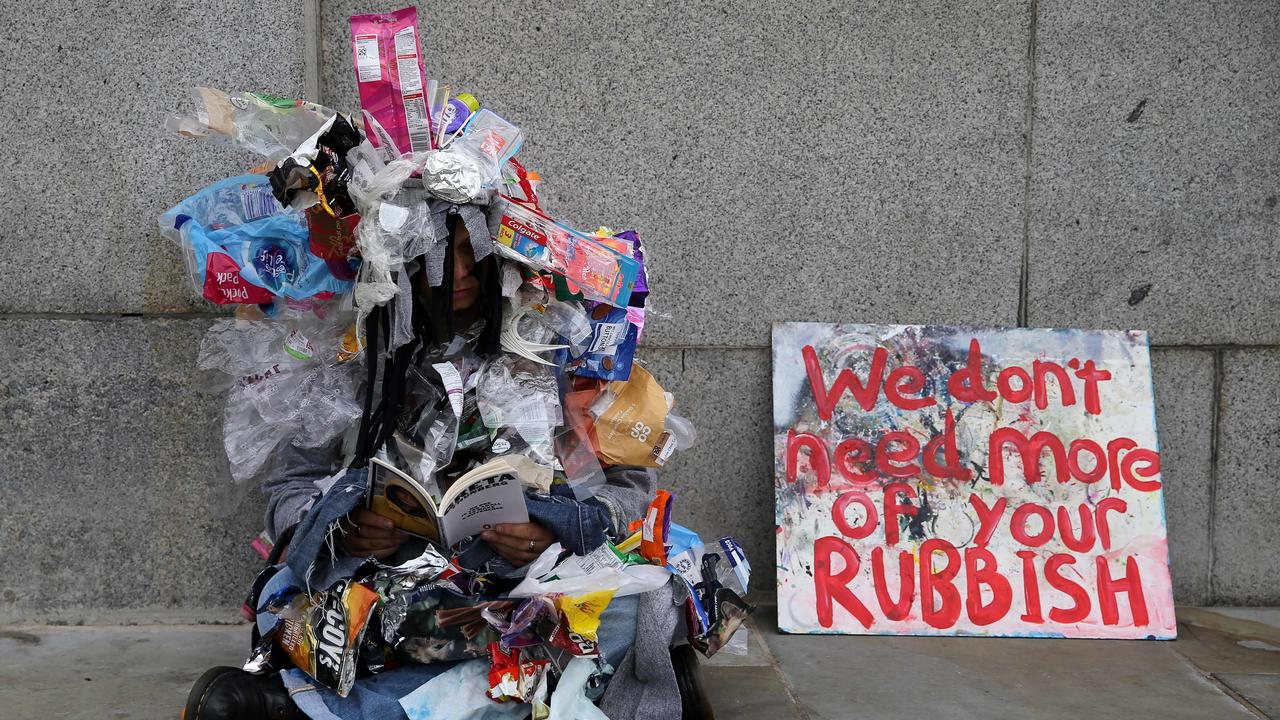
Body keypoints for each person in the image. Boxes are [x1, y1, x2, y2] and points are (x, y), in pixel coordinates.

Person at [181, 206, 712, 720]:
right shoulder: (352, 355)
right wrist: (339, 528)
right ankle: (561, 689)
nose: (456, 273)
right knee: (310, 604)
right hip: (399, 592)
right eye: (431, 252)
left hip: (524, 585)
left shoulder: (556, 343)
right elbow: (288, 490)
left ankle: (318, 709)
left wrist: (555, 531)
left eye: (468, 252)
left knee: (637, 605)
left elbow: (629, 484)